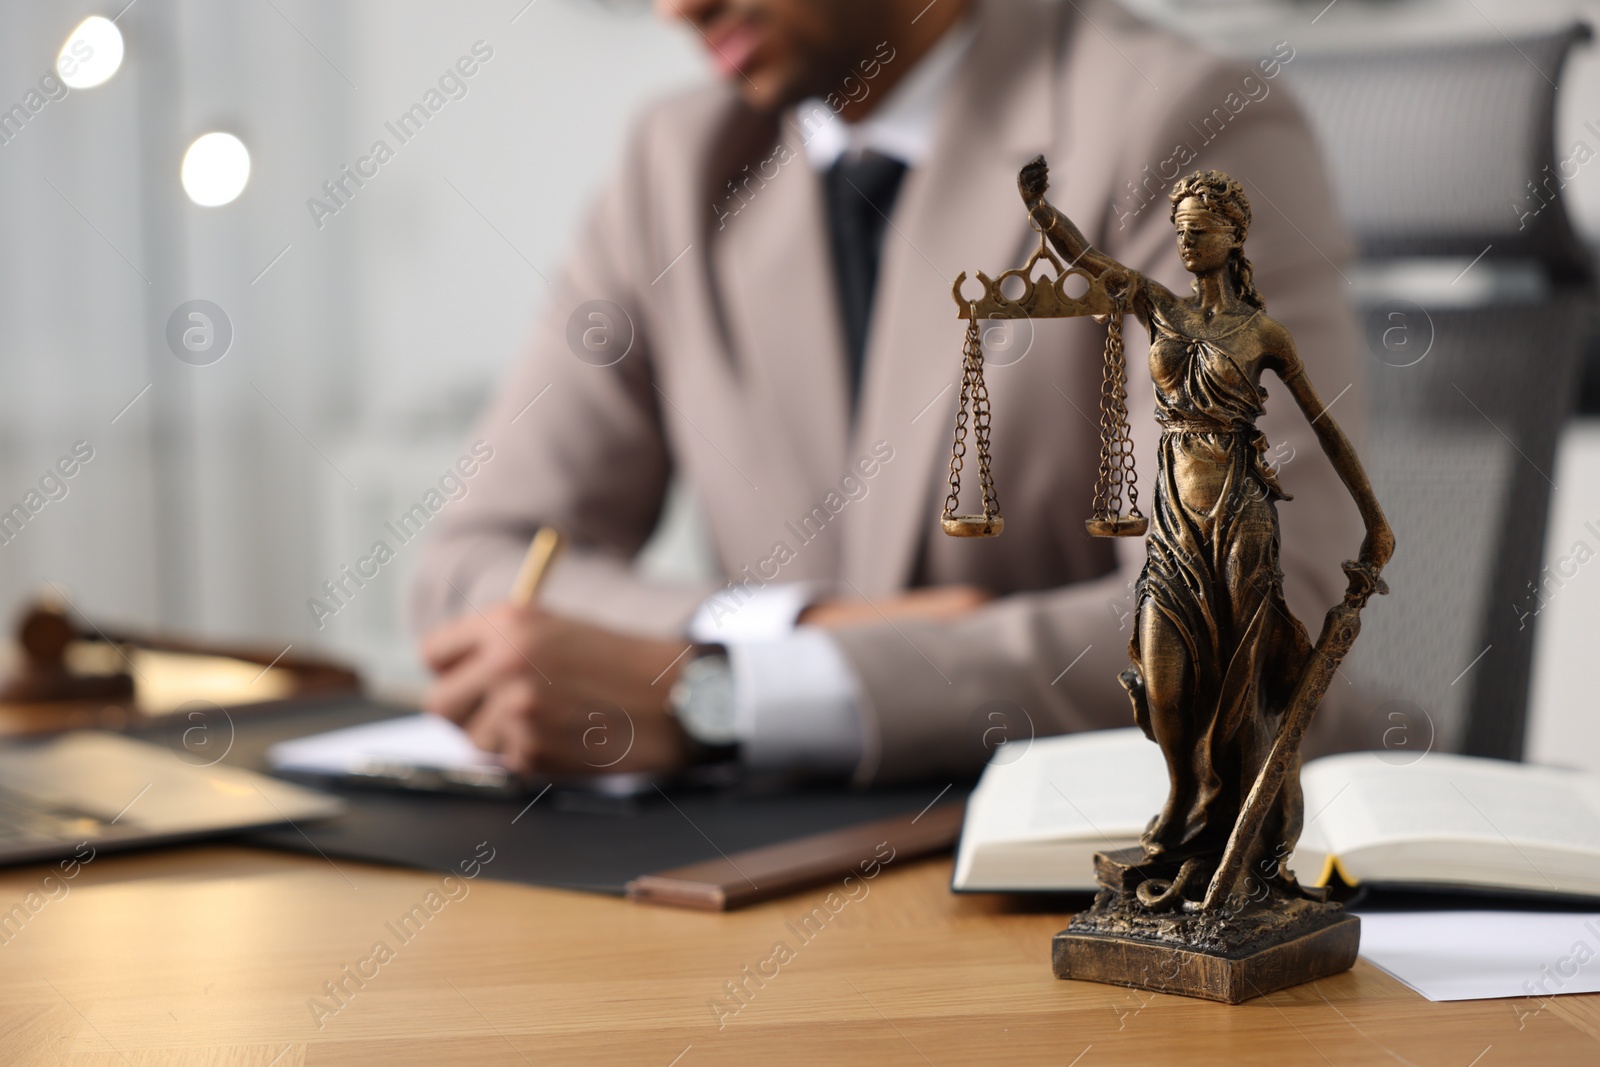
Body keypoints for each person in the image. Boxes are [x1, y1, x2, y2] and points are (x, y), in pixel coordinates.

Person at [410, 0, 1370, 785]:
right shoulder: (676, 164)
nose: (678, 9)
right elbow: (472, 569)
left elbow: (1257, 607)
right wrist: (791, 638)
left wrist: (729, 697)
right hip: (784, 870)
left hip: (1132, 874)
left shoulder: (1180, 122)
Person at [1019, 160, 1392, 894]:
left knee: (1240, 690)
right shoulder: (1160, 307)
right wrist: (1040, 211)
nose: (1185, 244)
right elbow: (1089, 259)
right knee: (1164, 684)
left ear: (1234, 235)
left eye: (1198, 232)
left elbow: (1325, 428)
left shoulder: (1265, 334)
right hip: (1172, 526)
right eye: (1178, 233)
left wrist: (1374, 521)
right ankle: (1182, 806)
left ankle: (1235, 848)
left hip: (1241, 521)